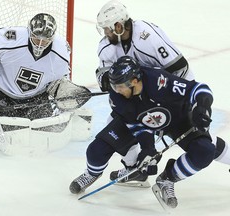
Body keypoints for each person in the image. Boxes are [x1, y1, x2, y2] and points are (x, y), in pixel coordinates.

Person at [94, 0, 230, 184]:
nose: (105, 33)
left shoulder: (147, 37)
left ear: (118, 26)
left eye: (108, 29)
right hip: (139, 97)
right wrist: (111, 82)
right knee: (117, 122)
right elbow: (106, 77)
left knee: (200, 140)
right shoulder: (106, 47)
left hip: (172, 95)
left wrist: (166, 101)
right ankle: (135, 170)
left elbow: (180, 69)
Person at [69, 56, 227, 208]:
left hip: (177, 119)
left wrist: (202, 107)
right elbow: (137, 125)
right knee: (96, 151)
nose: (116, 91)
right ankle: (93, 173)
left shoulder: (159, 81)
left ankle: (167, 179)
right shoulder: (117, 97)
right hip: (142, 122)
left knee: (205, 151)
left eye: (120, 87)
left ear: (135, 81)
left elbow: (199, 89)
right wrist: (148, 149)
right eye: (114, 86)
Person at [0, 13, 71, 120]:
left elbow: (63, 78)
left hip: (35, 97)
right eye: (36, 39)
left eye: (45, 41)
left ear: (52, 38)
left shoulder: (61, 50)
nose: (39, 44)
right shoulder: (12, 37)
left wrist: (63, 95)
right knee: (9, 126)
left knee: (45, 129)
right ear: (29, 32)